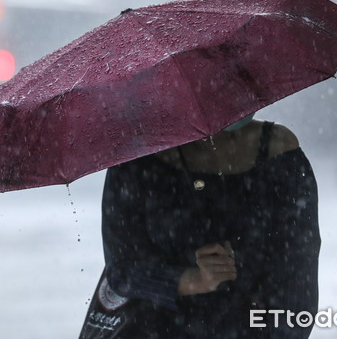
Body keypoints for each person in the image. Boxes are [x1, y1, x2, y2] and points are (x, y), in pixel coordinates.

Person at [99, 115, 321, 338]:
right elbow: (121, 270)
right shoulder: (138, 156)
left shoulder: (280, 153)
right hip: (153, 327)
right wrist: (191, 279)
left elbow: (297, 279)